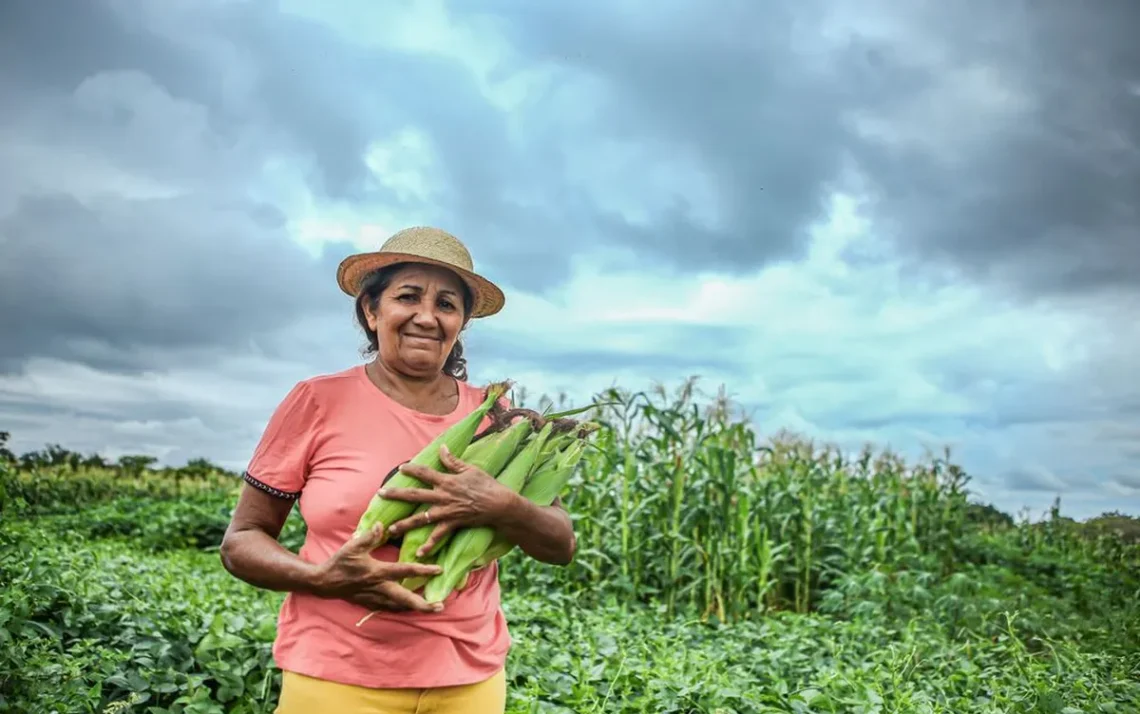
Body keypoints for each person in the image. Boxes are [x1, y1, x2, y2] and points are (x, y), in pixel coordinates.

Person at [219, 226, 577, 713]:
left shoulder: (499, 418)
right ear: (372, 310)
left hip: (468, 679)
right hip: (336, 675)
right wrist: (324, 577)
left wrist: (500, 504)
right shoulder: (318, 401)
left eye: (447, 305)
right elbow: (242, 541)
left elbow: (559, 544)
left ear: (462, 323)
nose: (426, 317)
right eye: (408, 296)